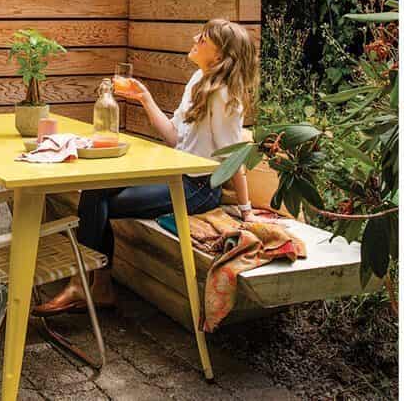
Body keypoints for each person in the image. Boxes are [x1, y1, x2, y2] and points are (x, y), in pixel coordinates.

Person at [33, 18, 257, 316]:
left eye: (203, 38)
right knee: (95, 190)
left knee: (97, 201)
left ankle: (86, 285)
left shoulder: (225, 96)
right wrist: (144, 98)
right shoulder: (197, 80)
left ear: (219, 56)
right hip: (174, 173)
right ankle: (94, 287)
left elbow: (234, 157)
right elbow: (174, 136)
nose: (194, 38)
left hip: (199, 187)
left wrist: (246, 210)